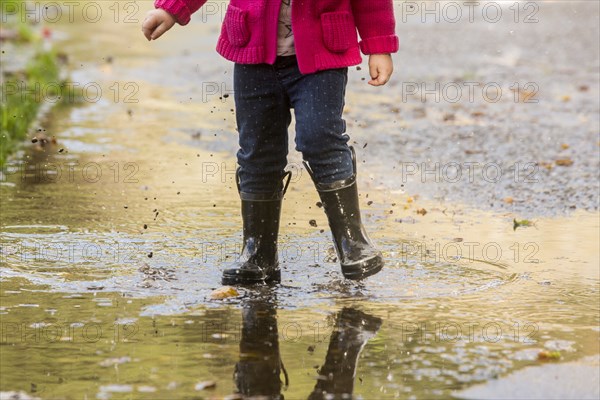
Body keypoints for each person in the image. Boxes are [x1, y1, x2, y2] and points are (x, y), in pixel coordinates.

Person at [142, 0, 399, 284]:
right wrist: (172, 9)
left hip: (321, 53)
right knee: (258, 150)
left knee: (320, 139)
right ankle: (258, 252)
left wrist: (379, 45)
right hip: (254, 55)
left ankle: (353, 242)